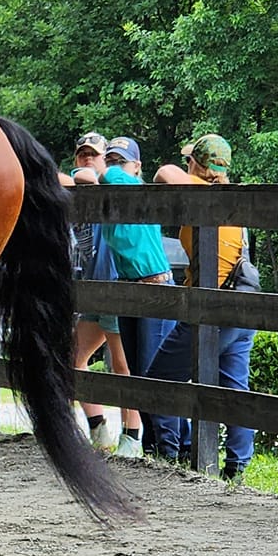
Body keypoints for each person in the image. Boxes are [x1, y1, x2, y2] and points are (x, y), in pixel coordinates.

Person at [142, 131, 255, 481]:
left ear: (199, 166)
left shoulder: (204, 195)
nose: (185, 163)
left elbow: (164, 172)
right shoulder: (230, 201)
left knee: (158, 382)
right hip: (242, 299)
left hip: (213, 308)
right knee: (234, 387)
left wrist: (193, 174)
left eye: (191, 159)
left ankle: (171, 452)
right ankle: (237, 465)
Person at [101, 136, 172, 460]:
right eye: (112, 160)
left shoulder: (133, 189)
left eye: (122, 161)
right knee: (136, 371)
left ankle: (170, 449)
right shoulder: (113, 200)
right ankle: (154, 446)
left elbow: (98, 175)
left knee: (153, 372)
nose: (116, 168)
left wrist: (108, 171)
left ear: (137, 167)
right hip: (130, 287)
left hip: (154, 287)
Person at [69, 132, 129, 453]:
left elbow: (88, 176)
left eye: (94, 153)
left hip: (117, 284)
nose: (87, 158)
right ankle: (99, 430)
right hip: (94, 290)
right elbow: (74, 177)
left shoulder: (113, 183)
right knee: (73, 355)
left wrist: (94, 172)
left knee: (122, 364)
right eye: (82, 154)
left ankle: (132, 437)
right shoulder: (79, 193)